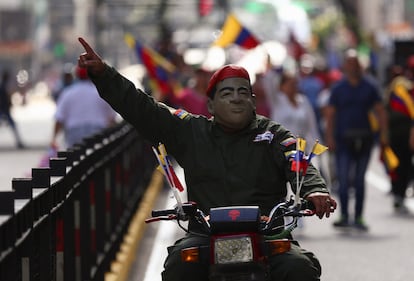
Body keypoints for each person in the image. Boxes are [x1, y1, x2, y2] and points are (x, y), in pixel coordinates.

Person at [77, 37, 337, 281]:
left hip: (268, 235)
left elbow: (298, 161)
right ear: (210, 105)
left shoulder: (273, 134)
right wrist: (104, 74)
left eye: (242, 92)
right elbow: (141, 107)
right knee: (179, 266)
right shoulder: (190, 131)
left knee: (300, 267)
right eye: (226, 93)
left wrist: (315, 191)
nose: (236, 98)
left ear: (253, 100)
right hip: (205, 234)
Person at [324, 49, 388, 231]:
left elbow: (380, 111)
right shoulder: (338, 89)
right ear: (344, 66)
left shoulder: (370, 86)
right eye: (349, 64)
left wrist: (384, 135)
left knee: (360, 180)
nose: (352, 67)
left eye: (355, 64)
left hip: (365, 138)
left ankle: (358, 216)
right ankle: (344, 215)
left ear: (360, 66)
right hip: (342, 140)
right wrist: (329, 137)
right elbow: (330, 114)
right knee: (343, 179)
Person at [51, 65, 117, 149]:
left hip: (74, 133)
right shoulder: (101, 93)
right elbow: (112, 118)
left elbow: (59, 118)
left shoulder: (68, 93)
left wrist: (54, 138)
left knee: (74, 158)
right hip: (98, 132)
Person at [384, 63, 414, 214]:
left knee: (403, 167)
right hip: (395, 137)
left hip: (405, 137)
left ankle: (399, 195)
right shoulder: (391, 94)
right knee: (397, 166)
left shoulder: (405, 93)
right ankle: (398, 194)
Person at [0, 69, 24, 148]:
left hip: (4, 109)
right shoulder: (3, 86)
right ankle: (19, 142)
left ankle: (19, 142)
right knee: (13, 125)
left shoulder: (3, 86)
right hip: (3, 109)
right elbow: (7, 98)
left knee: (13, 125)